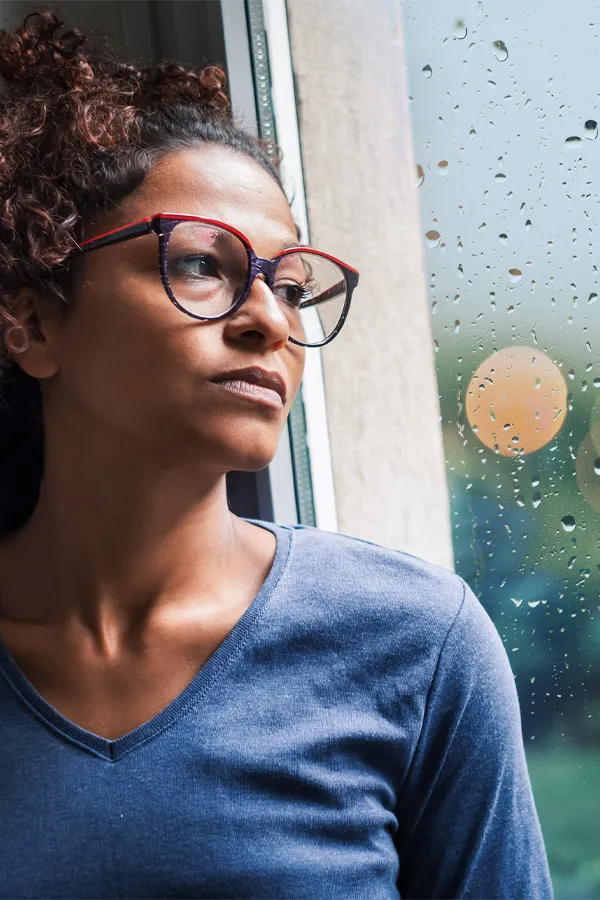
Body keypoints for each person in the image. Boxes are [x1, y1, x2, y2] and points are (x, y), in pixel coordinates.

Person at [0, 10, 553, 900]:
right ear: (33, 318)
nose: (272, 320)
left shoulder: (417, 644)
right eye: (202, 265)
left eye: (292, 286)